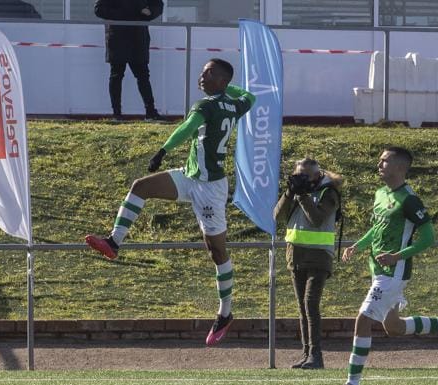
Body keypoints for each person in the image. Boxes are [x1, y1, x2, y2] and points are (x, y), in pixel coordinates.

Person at [85, 58, 256, 346]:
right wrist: (230, 89)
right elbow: (249, 96)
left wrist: (162, 151)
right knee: (140, 187)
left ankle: (225, 313)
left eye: (210, 72)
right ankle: (114, 242)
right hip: (190, 176)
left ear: (222, 80)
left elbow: (187, 129)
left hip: (210, 188)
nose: (202, 75)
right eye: (202, 70)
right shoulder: (234, 104)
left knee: (217, 251)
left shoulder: (206, 106)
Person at [341, 146, 438, 385]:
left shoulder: (410, 200)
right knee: (394, 327)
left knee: (363, 319)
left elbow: (428, 238)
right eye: (379, 160)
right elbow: (377, 228)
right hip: (378, 270)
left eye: (384, 161)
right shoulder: (381, 193)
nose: (379, 164)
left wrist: (397, 256)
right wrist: (357, 246)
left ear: (400, 167)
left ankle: (352, 382)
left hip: (394, 272)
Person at [273, 158, 342, 370]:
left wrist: (302, 195)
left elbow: (317, 219)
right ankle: (306, 353)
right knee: (302, 307)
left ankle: (316, 355)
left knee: (311, 304)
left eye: (308, 175)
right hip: (296, 255)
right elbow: (277, 216)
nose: (305, 178)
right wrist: (289, 193)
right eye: (300, 174)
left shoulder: (328, 192)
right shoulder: (296, 193)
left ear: (318, 174)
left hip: (319, 256)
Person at [94, 0, 166, 121]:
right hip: (117, 37)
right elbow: (99, 9)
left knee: (143, 76)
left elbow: (158, 5)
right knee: (116, 76)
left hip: (138, 36)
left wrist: (150, 12)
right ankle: (117, 114)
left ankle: (150, 112)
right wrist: (127, 14)